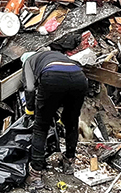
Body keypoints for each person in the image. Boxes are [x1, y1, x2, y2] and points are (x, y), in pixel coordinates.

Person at [21, 49, 88, 190]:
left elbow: (30, 88)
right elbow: (66, 79)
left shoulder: (28, 62)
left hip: (52, 78)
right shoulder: (55, 55)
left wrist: (30, 111)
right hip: (79, 78)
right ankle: (69, 162)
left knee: (41, 127)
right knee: (72, 122)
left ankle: (35, 174)